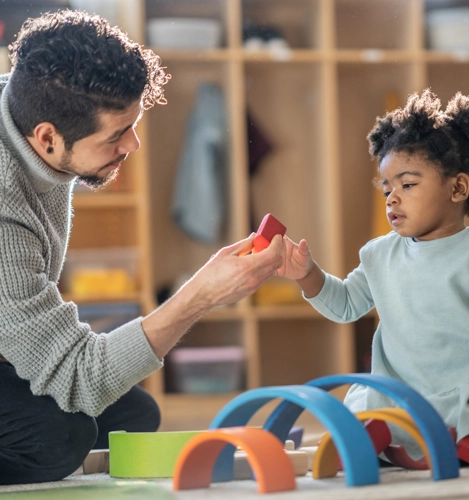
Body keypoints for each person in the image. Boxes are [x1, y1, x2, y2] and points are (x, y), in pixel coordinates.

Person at [0, 10, 284, 485]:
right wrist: (201, 295)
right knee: (60, 437)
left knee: (131, 418)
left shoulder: (29, 104)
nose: (132, 144)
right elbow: (80, 378)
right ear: (46, 137)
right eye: (115, 135)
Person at [277, 89, 469, 462]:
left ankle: (434, 445)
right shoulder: (380, 254)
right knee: (356, 414)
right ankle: (403, 443)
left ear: (458, 188)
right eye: (386, 188)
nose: (392, 199)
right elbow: (346, 305)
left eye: (407, 185)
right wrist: (307, 274)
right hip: (400, 395)